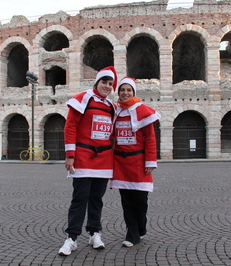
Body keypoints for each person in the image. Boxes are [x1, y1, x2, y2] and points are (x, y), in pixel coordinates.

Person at [59, 66, 117, 256]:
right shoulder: (83, 98)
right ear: (97, 82)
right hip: (83, 158)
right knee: (79, 199)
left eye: (110, 84)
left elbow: (113, 134)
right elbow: (71, 126)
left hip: (103, 160)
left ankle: (94, 233)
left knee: (97, 200)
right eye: (104, 82)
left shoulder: (112, 106)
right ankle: (72, 238)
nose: (107, 86)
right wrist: (70, 155)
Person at [110, 77, 161, 247]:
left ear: (134, 92)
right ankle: (131, 234)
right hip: (121, 163)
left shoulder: (142, 111)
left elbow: (150, 139)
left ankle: (140, 227)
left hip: (139, 163)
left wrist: (150, 162)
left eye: (128, 90)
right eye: (122, 90)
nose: (125, 93)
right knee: (126, 201)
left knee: (140, 200)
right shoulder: (115, 111)